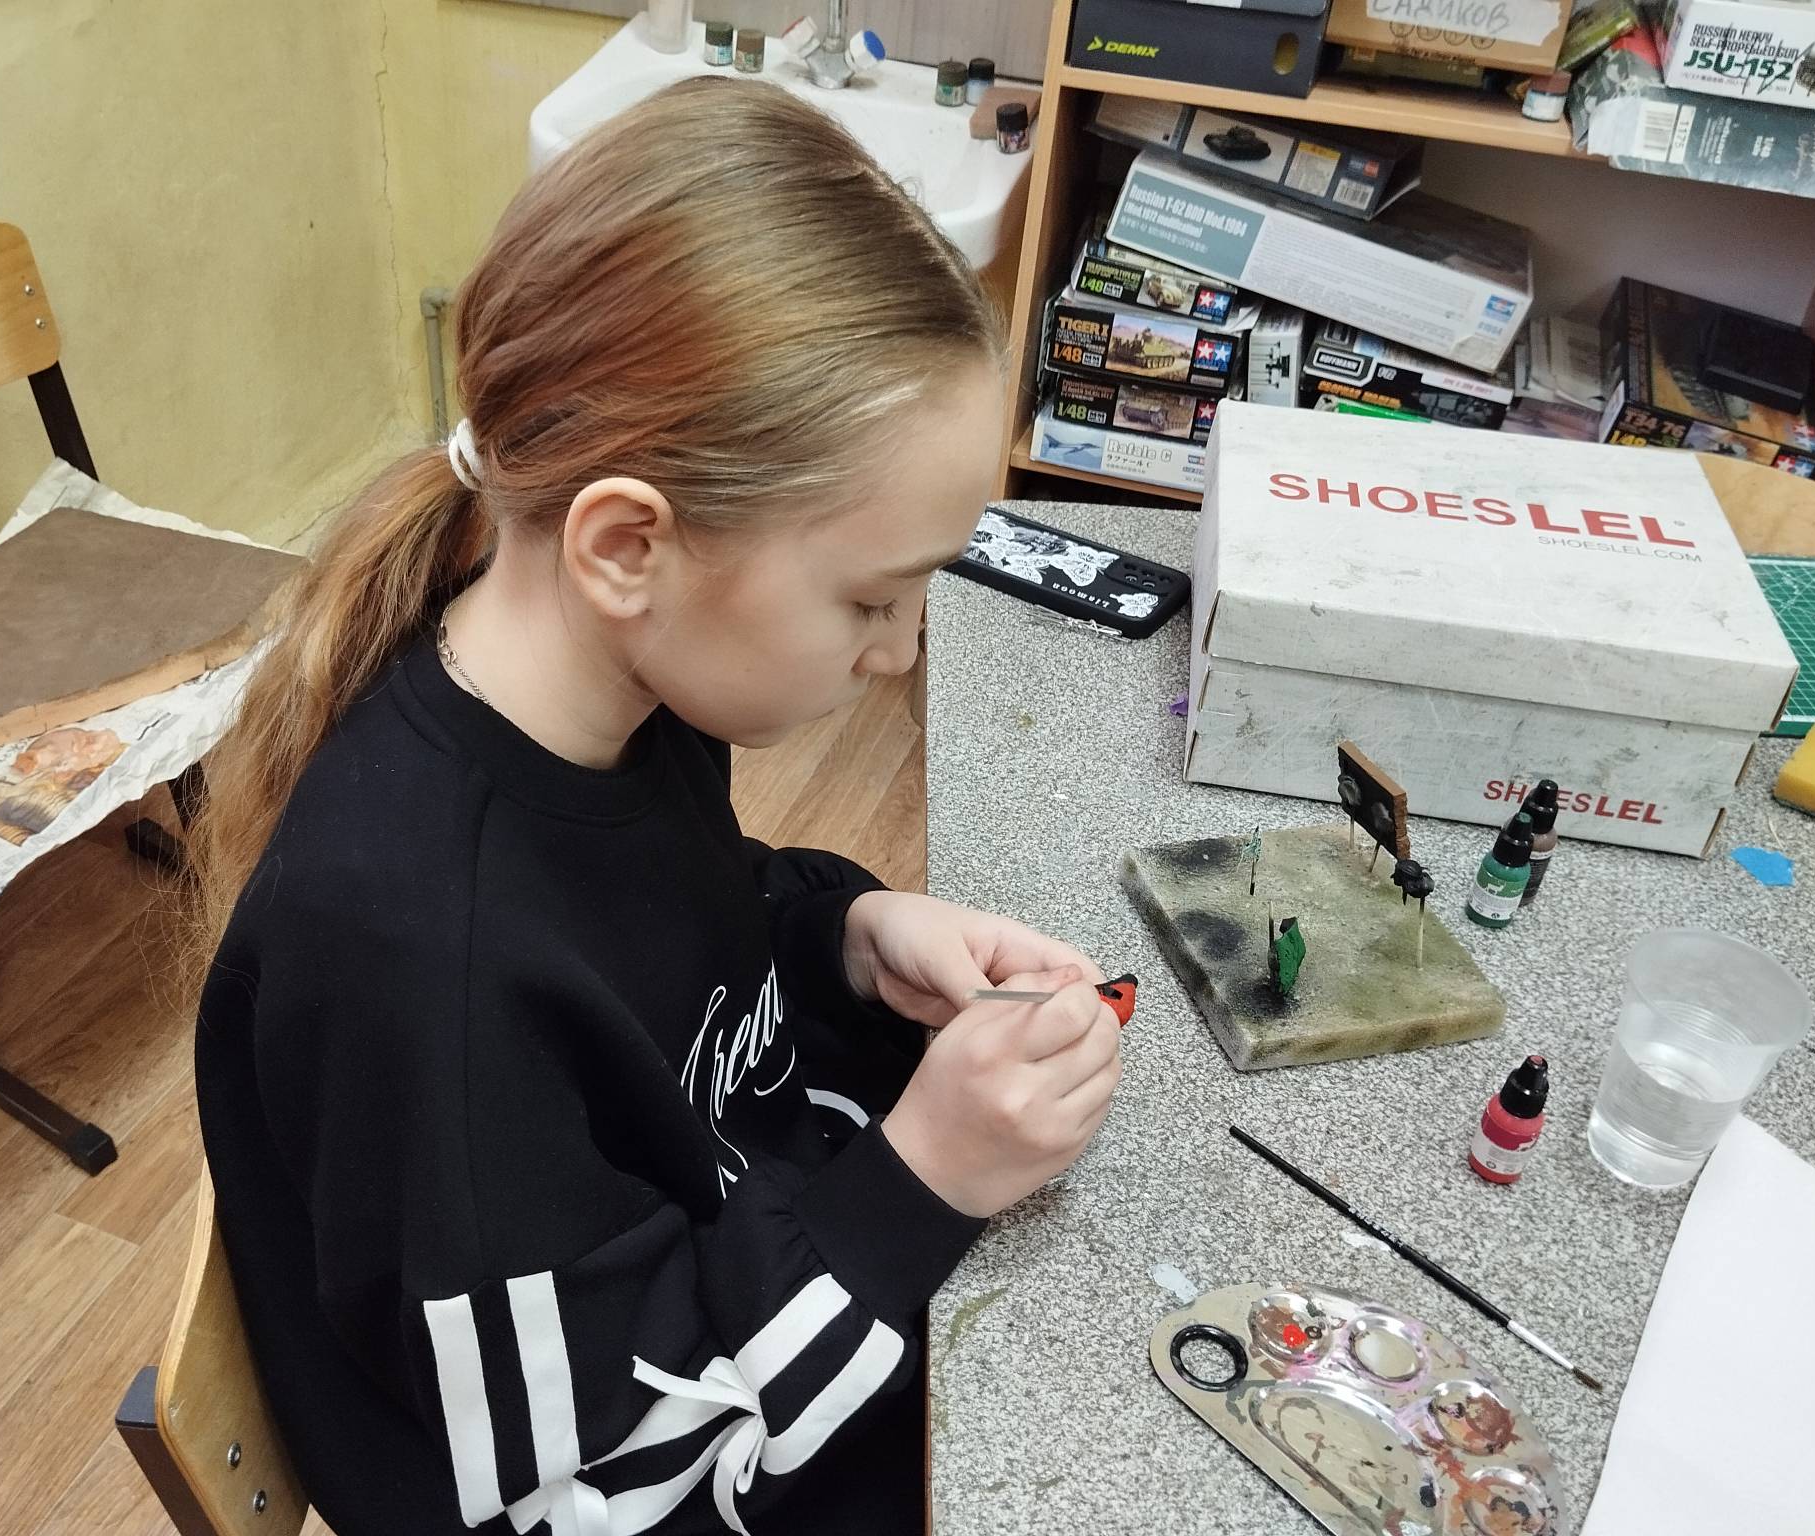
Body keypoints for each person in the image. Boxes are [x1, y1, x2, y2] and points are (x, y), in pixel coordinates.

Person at [190, 78, 1123, 1536]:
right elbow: (604, 1485)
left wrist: (850, 942)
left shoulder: (628, 703)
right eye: (872, 598)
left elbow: (681, 938)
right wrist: (922, 1180)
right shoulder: (413, 960)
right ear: (628, 546)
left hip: (755, 1274)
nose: (901, 651)